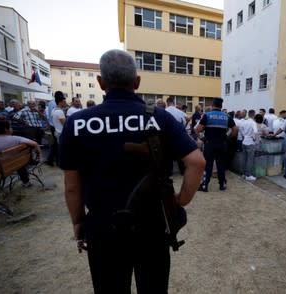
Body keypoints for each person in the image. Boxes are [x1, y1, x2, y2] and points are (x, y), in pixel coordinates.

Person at [59, 49, 205, 293]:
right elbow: (197, 162)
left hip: (103, 225)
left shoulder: (77, 122)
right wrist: (181, 201)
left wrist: (78, 222)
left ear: (101, 82)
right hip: (152, 223)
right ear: (137, 82)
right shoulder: (160, 118)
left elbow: (72, 185)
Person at [197, 98, 237, 192]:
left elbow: (198, 129)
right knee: (221, 165)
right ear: (221, 106)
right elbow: (235, 130)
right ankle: (222, 185)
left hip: (209, 144)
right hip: (222, 144)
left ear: (212, 105)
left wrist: (202, 138)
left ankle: (204, 186)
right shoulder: (227, 116)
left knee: (208, 165)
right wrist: (227, 137)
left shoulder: (207, 115)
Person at [0, 120, 42, 186]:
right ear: (6, 130)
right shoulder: (16, 138)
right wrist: (39, 155)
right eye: (10, 127)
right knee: (19, 162)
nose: (12, 128)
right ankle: (26, 182)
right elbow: (35, 144)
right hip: (16, 164)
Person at [239, 109, 258, 181]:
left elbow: (240, 129)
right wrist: (254, 139)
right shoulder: (253, 123)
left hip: (244, 141)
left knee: (244, 158)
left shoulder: (244, 122)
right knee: (250, 159)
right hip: (250, 142)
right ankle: (248, 175)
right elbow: (255, 132)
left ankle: (243, 173)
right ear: (253, 114)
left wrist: (244, 135)